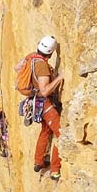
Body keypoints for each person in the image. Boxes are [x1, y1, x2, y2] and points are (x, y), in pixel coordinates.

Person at [31, 36, 64, 180]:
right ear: (50, 53)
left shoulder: (31, 58)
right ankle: (55, 169)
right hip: (44, 103)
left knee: (45, 131)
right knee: (60, 133)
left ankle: (38, 162)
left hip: (37, 103)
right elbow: (44, 91)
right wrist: (59, 78)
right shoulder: (42, 65)